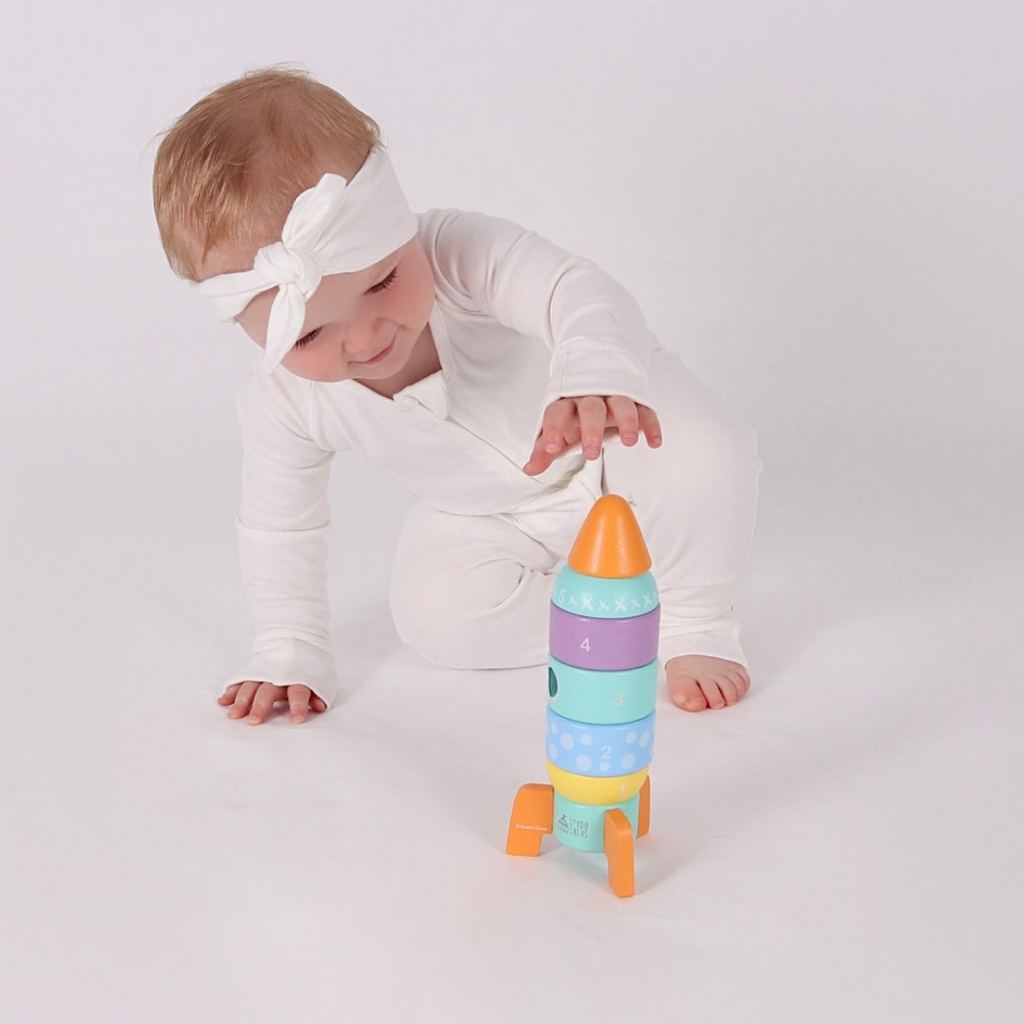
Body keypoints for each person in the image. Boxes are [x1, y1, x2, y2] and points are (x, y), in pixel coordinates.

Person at [152, 67, 760, 726]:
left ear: (399, 226)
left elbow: (573, 289)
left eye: (382, 283)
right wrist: (288, 644)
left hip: (612, 430)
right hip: (491, 512)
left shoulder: (455, 252)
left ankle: (695, 621)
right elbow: (281, 525)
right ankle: (617, 612)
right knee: (435, 619)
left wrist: (593, 372)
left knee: (708, 455)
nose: (364, 337)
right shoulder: (283, 400)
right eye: (311, 333)